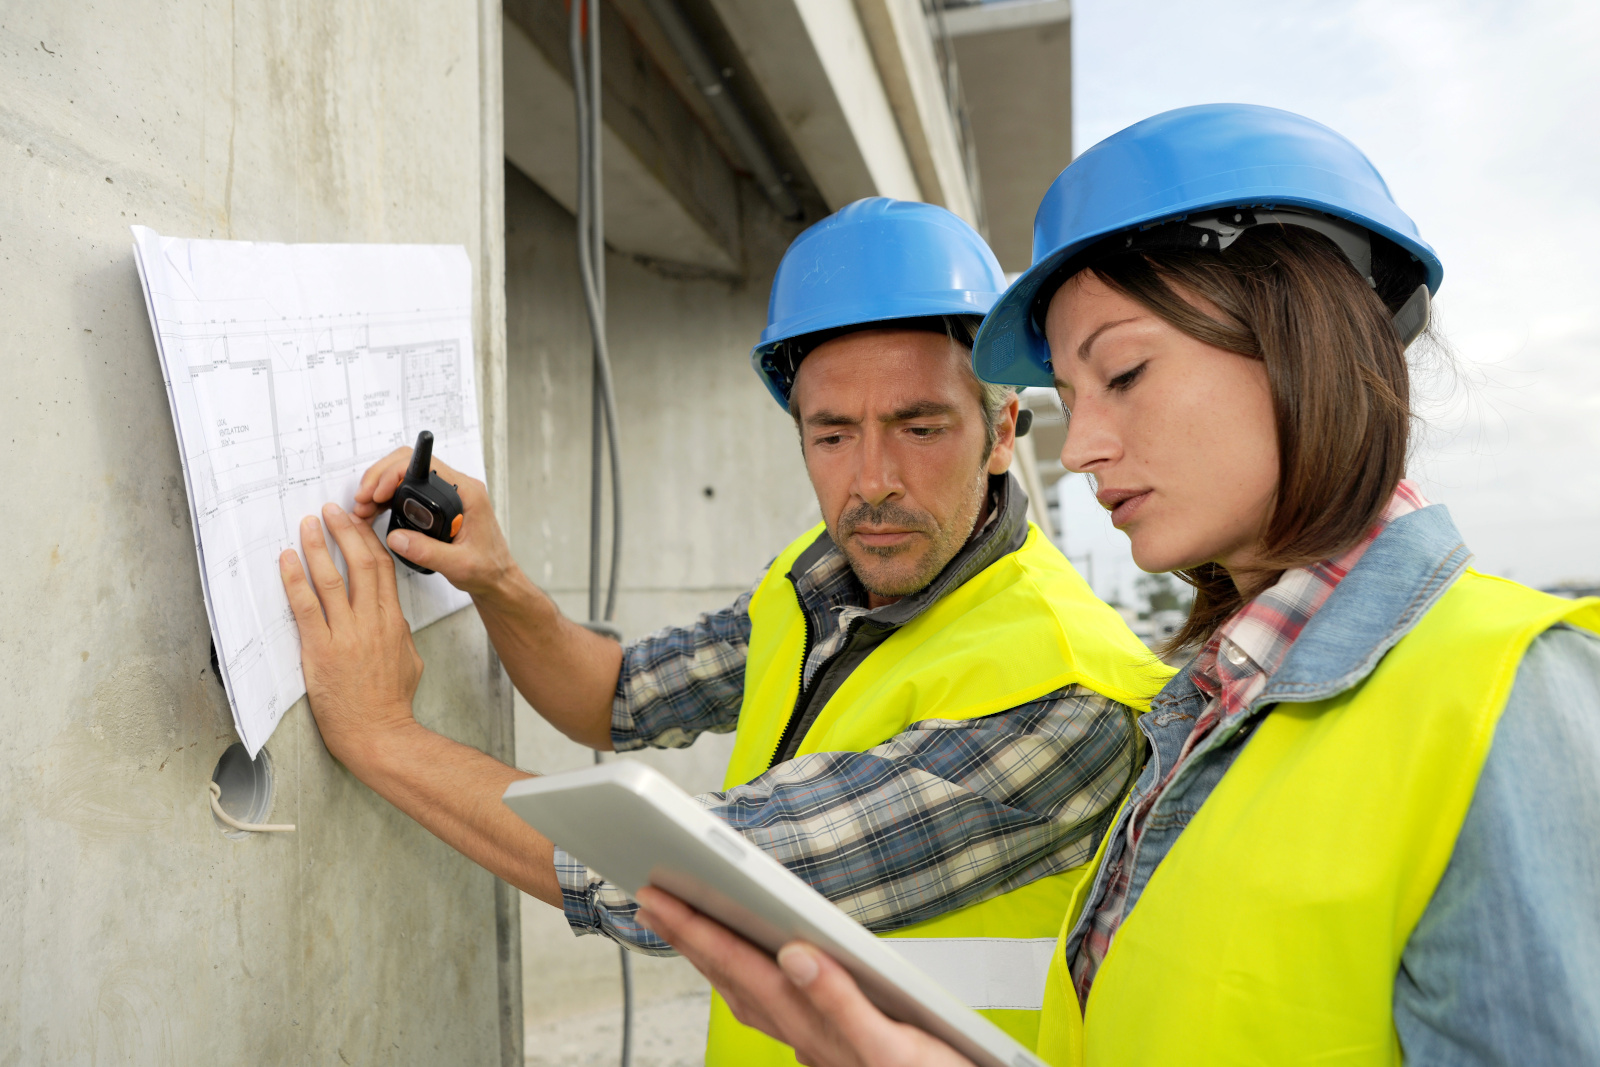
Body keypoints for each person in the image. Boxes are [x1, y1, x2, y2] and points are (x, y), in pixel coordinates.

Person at [633, 104, 1600, 1067]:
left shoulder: (1516, 700)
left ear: (1305, 336)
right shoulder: (1204, 715)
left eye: (1124, 372)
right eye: (1073, 395)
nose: (1085, 447)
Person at [277, 197, 1169, 1064]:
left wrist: (382, 736)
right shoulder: (818, 579)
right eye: (831, 435)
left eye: (920, 426)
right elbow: (616, 697)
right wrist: (498, 578)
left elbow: (679, 881)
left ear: (1003, 430)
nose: (872, 480)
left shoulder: (1067, 694)